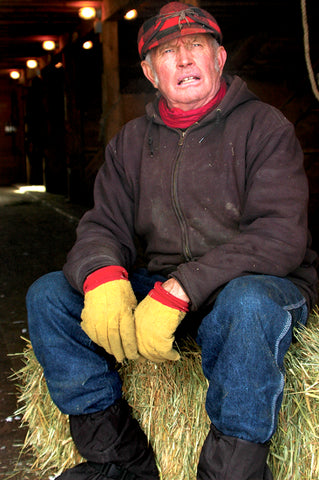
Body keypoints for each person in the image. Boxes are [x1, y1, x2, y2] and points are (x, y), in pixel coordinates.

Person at [26, 2, 318, 479]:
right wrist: (103, 275)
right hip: (164, 288)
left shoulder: (264, 127)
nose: (183, 60)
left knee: (247, 305)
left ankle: (232, 471)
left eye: (195, 46)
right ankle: (119, 460)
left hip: (255, 286)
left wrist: (182, 288)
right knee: (48, 297)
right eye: (167, 52)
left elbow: (280, 236)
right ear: (150, 71)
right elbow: (103, 225)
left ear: (218, 59)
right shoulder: (131, 142)